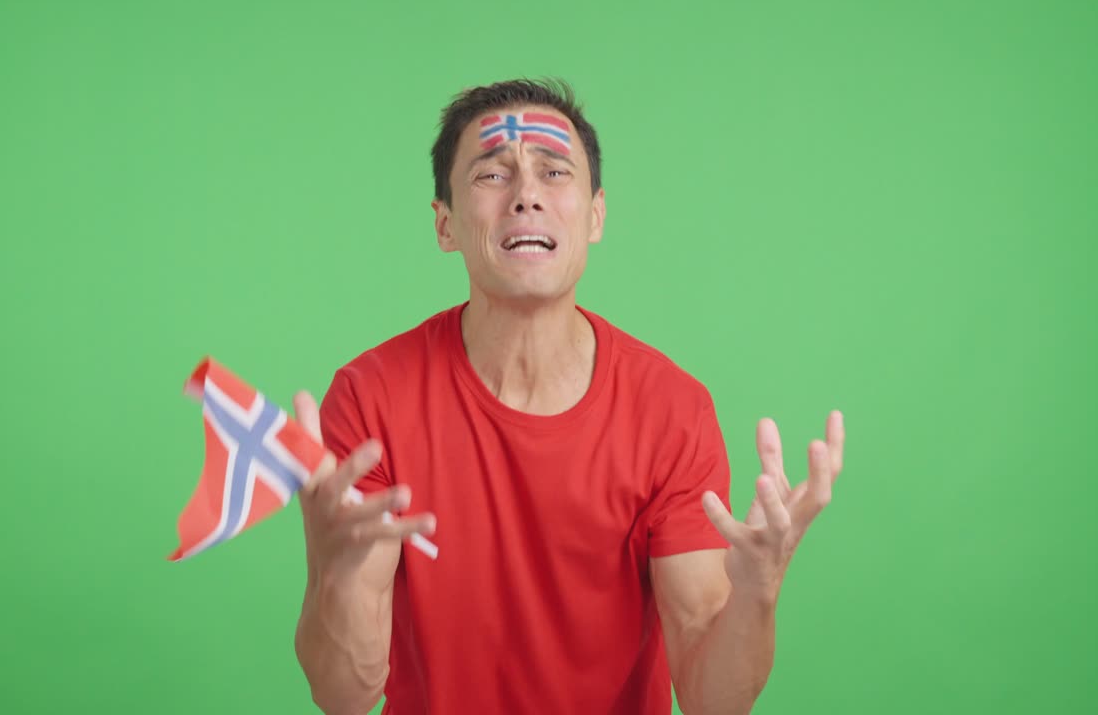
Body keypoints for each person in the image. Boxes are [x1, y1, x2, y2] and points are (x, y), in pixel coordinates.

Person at [290, 79, 845, 715]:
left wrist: (758, 594)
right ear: (445, 225)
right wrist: (331, 577)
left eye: (554, 171)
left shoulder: (671, 410)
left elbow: (710, 699)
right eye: (492, 175)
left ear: (596, 215)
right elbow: (344, 696)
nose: (527, 195)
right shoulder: (372, 398)